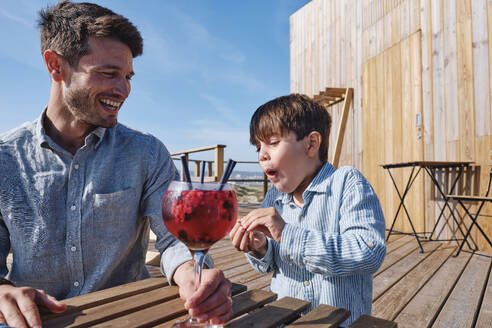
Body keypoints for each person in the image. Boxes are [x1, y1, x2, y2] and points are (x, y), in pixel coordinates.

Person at [0, 1, 232, 327]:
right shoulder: (5, 159)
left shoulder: (147, 153)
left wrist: (193, 276)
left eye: (127, 76)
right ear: (55, 66)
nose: (123, 90)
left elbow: (172, 241)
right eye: (109, 73)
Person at [229, 94, 386, 326]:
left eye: (272, 142)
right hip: (285, 319)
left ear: (311, 144)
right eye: (258, 147)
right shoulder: (274, 197)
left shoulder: (347, 183)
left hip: (339, 322)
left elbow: (368, 252)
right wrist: (260, 246)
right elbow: (271, 263)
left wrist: (286, 234)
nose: (262, 154)